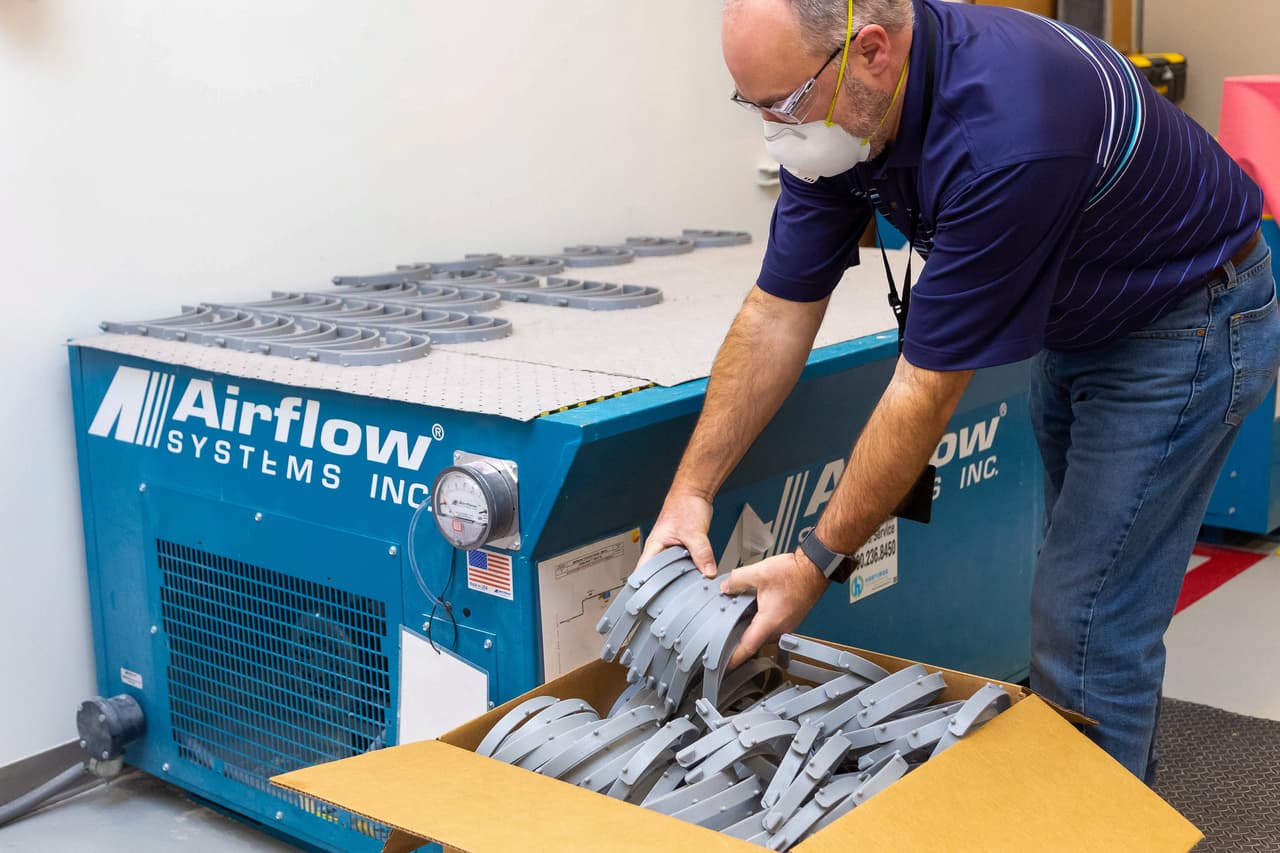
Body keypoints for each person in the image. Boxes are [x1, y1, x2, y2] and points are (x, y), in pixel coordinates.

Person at [639, 0, 1279, 783]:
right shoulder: (843, 117)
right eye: (755, 105)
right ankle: (1094, 795)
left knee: (1085, 620)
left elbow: (924, 391)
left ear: (870, 50)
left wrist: (814, 563)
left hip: (1189, 315)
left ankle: (1099, 828)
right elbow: (778, 310)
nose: (775, 129)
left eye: (785, 103)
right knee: (1079, 593)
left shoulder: (1007, 133)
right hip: (1082, 318)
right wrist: (689, 491)